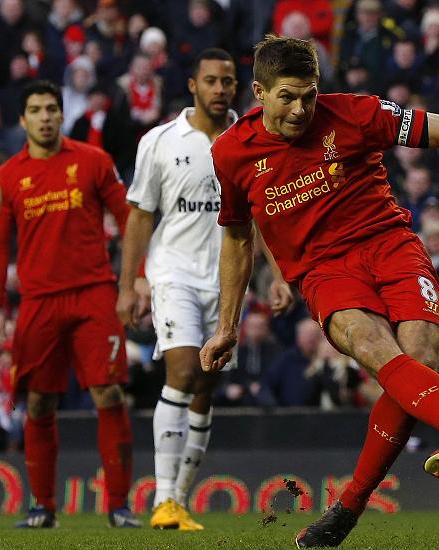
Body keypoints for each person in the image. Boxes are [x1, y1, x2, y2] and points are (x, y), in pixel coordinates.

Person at [199, 36, 439, 548]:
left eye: (309, 95)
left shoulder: (354, 114)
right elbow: (236, 237)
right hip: (323, 270)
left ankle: (347, 508)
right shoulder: (230, 154)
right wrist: (227, 326)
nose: (301, 109)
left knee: (419, 358)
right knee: (367, 342)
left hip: (390, 245)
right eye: (288, 97)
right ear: (258, 92)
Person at [115, 48, 293, 531]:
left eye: (227, 81)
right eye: (210, 81)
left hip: (226, 282)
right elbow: (140, 214)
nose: (219, 89)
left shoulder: (254, 139)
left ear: (239, 87)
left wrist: (277, 274)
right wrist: (130, 283)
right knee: (184, 369)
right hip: (173, 273)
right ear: (193, 85)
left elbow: (265, 213)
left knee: (206, 386)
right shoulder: (160, 141)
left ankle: (180, 501)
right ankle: (163, 498)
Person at [0, 80, 141, 528]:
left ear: (63, 115)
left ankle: (119, 506)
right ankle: (44, 507)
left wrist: (134, 282)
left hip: (94, 294)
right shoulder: (7, 176)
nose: (45, 117)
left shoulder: (94, 161)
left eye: (52, 109)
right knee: (39, 403)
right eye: (36, 110)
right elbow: (0, 248)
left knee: (111, 393)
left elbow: (128, 218)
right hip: (38, 301)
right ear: (23, 120)